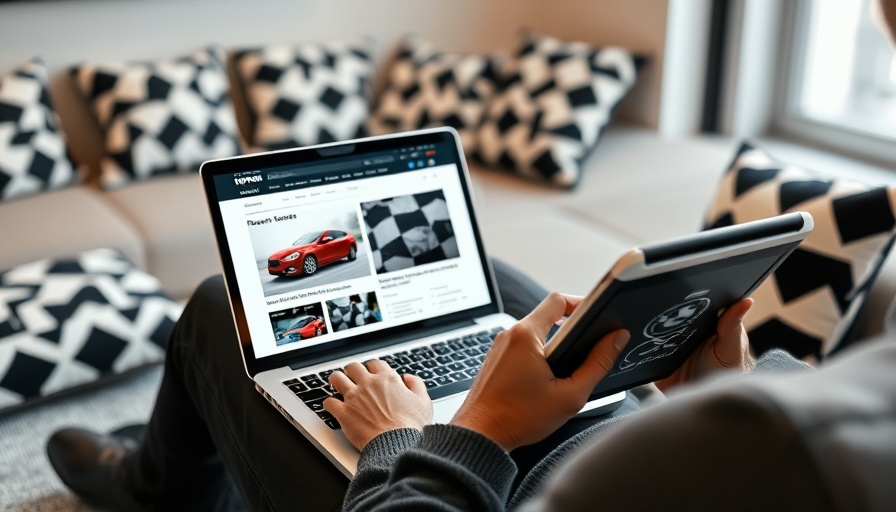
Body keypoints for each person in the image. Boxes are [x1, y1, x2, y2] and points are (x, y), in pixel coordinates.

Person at [48, 1, 896, 509]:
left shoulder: (792, 451)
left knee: (211, 307)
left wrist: (425, 434)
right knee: (485, 289)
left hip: (460, 481)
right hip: (581, 437)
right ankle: (215, 435)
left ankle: (158, 486)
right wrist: (726, 391)